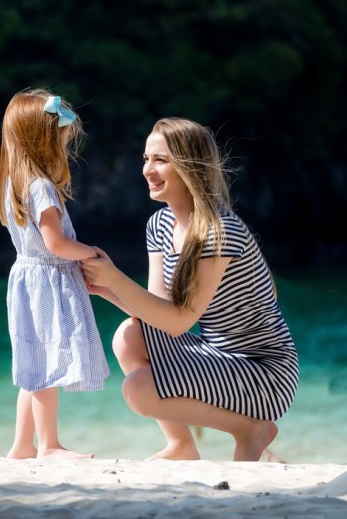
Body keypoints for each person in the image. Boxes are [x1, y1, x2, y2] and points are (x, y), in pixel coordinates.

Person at [81, 117, 298, 462]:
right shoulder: (160, 224)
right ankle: (181, 445)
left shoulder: (219, 231)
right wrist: (102, 288)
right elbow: (156, 311)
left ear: (189, 166)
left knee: (138, 390)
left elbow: (179, 322)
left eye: (160, 160)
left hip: (263, 372)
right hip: (217, 357)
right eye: (145, 159)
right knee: (128, 336)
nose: (147, 170)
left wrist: (115, 278)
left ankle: (251, 429)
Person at [0, 89, 110, 459]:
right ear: (46, 140)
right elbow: (56, 244)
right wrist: (91, 253)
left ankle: (21, 446)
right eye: (62, 135)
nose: (66, 142)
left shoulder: (13, 183)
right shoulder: (41, 187)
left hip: (26, 279)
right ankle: (49, 445)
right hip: (48, 281)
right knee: (48, 365)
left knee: (34, 363)